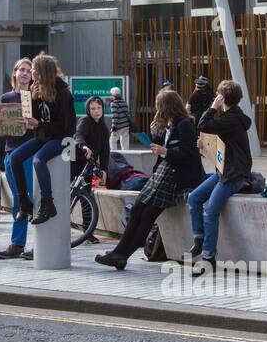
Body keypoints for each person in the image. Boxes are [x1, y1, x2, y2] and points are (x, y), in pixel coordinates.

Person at [96, 88, 205, 270]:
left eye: (158, 105)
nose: (156, 109)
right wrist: (156, 134)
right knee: (138, 208)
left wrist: (166, 152)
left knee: (147, 215)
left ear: (167, 106)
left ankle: (122, 254)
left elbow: (190, 155)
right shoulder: (169, 124)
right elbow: (163, 146)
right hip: (163, 172)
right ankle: (119, 252)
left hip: (175, 177)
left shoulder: (184, 124)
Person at [0, 54, 75, 260]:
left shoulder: (63, 93)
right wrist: (31, 106)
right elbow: (34, 119)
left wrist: (38, 124)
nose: (30, 73)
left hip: (59, 138)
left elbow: (65, 127)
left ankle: (48, 204)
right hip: (42, 137)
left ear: (43, 72)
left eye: (33, 70)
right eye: (25, 70)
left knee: (39, 160)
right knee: (15, 158)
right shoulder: (36, 90)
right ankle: (25, 203)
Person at [185, 79, 254, 276]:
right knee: (194, 198)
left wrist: (212, 107)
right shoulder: (231, 118)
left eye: (217, 96)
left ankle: (208, 258)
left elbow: (203, 124)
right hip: (224, 171)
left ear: (221, 97)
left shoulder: (230, 119)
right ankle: (199, 239)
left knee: (211, 211)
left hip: (234, 174)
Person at [0, 57, 35, 257]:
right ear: (14, 73)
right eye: (21, 69)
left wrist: (31, 123)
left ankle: (39, 244)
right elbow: (2, 129)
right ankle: (18, 244)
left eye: (28, 70)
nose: (24, 73)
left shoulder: (34, 97)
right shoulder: (6, 98)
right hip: (10, 151)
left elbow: (38, 126)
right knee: (19, 200)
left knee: (31, 198)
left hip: (28, 153)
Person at [72, 96, 110, 185]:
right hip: (76, 161)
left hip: (89, 164)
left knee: (86, 192)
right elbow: (78, 134)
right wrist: (84, 146)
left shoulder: (104, 129)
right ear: (88, 110)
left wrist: (104, 170)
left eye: (99, 108)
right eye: (93, 109)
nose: (96, 111)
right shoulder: (85, 121)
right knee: (71, 190)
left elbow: (105, 152)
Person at [108, 86, 130, 151]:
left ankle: (114, 154)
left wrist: (114, 128)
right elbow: (127, 114)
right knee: (124, 141)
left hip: (119, 125)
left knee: (112, 141)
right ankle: (126, 155)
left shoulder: (113, 103)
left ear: (113, 94)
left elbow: (115, 116)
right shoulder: (124, 102)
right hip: (126, 125)